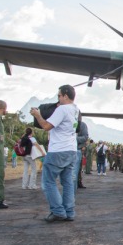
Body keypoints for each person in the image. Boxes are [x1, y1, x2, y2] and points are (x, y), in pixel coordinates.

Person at [30, 85, 79, 223]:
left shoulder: (62, 109)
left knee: (48, 182)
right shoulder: (76, 109)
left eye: (59, 96)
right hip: (71, 150)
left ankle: (58, 211)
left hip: (58, 150)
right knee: (68, 182)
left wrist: (38, 115)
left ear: (65, 95)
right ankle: (69, 212)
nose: (58, 98)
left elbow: (46, 127)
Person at [75, 121, 89, 189]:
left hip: (77, 149)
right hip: (66, 150)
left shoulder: (82, 125)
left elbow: (85, 137)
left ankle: (78, 182)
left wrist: (72, 138)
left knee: (77, 169)